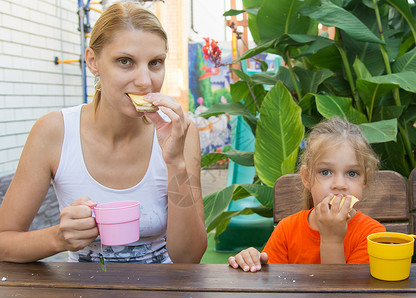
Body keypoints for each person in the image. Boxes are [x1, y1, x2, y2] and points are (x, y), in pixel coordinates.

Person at [0, 2, 207, 264]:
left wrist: (176, 163)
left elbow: (189, 258)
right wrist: (58, 238)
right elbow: (4, 241)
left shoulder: (181, 131)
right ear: (93, 62)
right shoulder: (54, 132)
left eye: (155, 63)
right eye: (125, 61)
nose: (145, 81)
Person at [228, 117, 386, 272]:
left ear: (364, 179)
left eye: (352, 173)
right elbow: (271, 282)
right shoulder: (287, 230)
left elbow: (342, 294)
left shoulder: (372, 235)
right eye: (325, 172)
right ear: (306, 177)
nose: (339, 184)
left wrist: (332, 240)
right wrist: (251, 260)